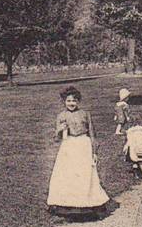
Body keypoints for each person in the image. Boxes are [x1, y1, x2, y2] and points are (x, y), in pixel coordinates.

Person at [47, 87, 111, 215]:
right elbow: (57, 138)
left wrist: (94, 152)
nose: (71, 103)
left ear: (78, 101)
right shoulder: (61, 116)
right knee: (68, 174)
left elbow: (92, 134)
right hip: (69, 146)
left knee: (85, 173)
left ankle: (88, 204)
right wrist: (59, 130)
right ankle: (66, 205)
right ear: (64, 101)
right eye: (68, 101)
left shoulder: (85, 114)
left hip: (83, 144)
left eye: (74, 101)